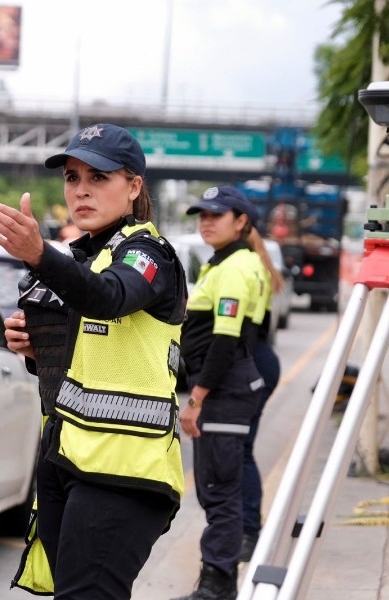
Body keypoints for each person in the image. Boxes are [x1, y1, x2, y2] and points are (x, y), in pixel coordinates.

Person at [0, 123, 188, 599]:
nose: (81, 190)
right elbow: (91, 349)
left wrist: (39, 255)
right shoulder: (84, 257)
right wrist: (36, 349)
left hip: (124, 471)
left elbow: (110, 298)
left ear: (134, 187)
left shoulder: (147, 253)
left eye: (98, 177)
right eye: (73, 178)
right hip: (67, 459)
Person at [174, 185, 264, 600]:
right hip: (229, 387)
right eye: (201, 214)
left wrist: (196, 399)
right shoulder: (229, 262)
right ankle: (217, 582)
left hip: (225, 390)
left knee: (219, 490)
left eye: (216, 214)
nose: (206, 221)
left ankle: (216, 586)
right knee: (216, 486)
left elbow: (224, 341)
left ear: (241, 221)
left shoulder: (234, 268)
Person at [239, 228, 284, 563]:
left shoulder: (244, 269)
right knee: (241, 449)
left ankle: (250, 530)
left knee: (241, 450)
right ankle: (247, 528)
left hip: (255, 365)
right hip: (261, 362)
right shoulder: (256, 266)